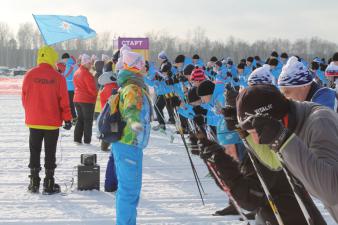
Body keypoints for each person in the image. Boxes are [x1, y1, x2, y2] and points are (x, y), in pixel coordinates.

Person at [236, 84, 338, 223]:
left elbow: (331, 191)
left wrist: (283, 140)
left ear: (275, 119)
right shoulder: (296, 122)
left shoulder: (320, 121)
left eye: (256, 133)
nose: (257, 140)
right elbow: (276, 163)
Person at [22, 46, 72, 194]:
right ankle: (49, 183)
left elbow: (24, 97)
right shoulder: (58, 77)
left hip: (34, 120)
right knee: (50, 151)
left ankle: (34, 182)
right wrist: (67, 119)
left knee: (34, 149)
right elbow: (64, 100)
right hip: (51, 122)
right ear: (52, 58)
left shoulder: (29, 74)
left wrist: (31, 112)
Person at [112, 50, 152, 225]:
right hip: (129, 143)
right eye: (143, 64)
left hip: (128, 144)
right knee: (129, 192)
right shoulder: (133, 88)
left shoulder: (131, 86)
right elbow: (131, 109)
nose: (145, 68)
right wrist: (134, 121)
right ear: (137, 67)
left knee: (128, 191)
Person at [73, 54, 98, 144]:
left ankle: (77, 138)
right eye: (89, 63)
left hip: (77, 99)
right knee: (88, 120)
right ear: (85, 63)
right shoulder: (86, 73)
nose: (91, 65)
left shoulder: (77, 72)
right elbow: (91, 88)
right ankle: (87, 140)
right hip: (86, 100)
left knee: (80, 119)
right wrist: (96, 95)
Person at [61, 53, 78, 121]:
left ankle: (74, 117)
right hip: (71, 86)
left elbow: (66, 75)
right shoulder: (72, 63)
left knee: (70, 103)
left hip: (69, 87)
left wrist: (61, 75)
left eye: (63, 59)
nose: (63, 61)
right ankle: (73, 117)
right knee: (71, 103)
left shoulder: (69, 64)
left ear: (66, 58)